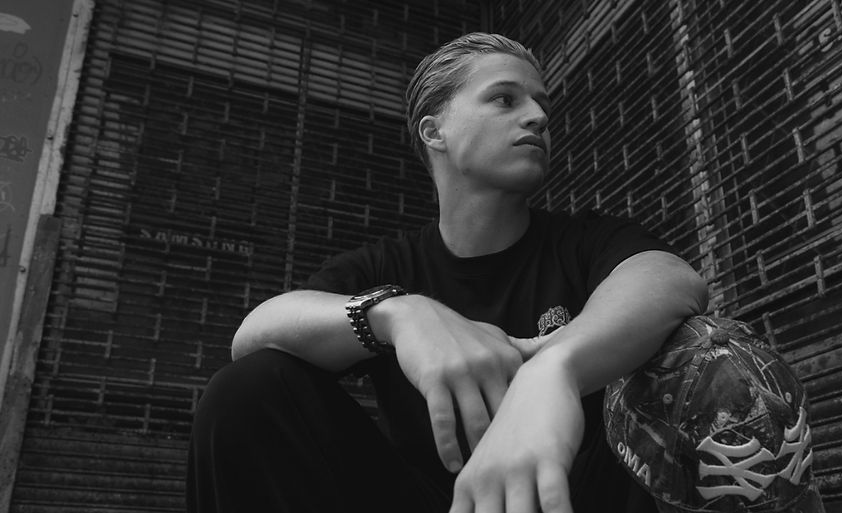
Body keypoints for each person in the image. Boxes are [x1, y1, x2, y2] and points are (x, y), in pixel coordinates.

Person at [186, 32, 708, 513]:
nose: (538, 117)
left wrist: (552, 370)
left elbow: (670, 280)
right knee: (245, 390)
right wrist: (398, 316)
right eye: (506, 99)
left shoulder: (583, 241)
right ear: (434, 131)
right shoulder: (388, 267)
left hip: (580, 500)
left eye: (542, 105)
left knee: (708, 353)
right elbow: (253, 336)